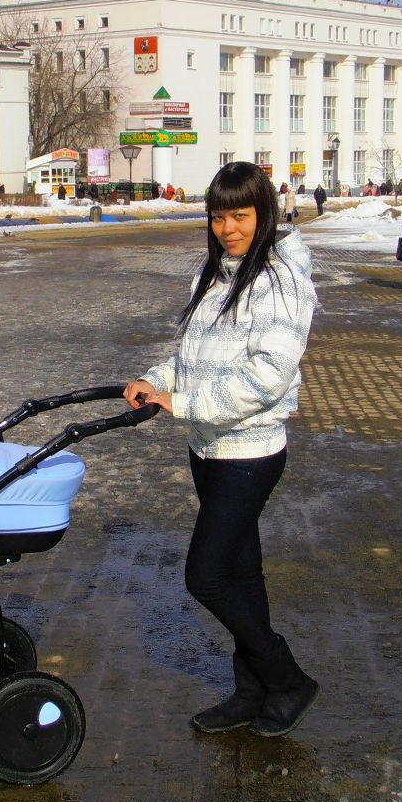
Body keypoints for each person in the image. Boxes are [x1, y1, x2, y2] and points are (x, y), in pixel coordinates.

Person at [123, 162, 319, 738]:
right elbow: (192, 356)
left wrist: (179, 403)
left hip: (250, 451)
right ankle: (250, 690)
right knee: (242, 572)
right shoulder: (216, 274)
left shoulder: (281, 281)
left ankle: (287, 680)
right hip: (208, 447)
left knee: (205, 577)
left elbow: (267, 377)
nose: (227, 228)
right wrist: (154, 382)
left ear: (264, 213)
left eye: (240, 215)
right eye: (217, 216)